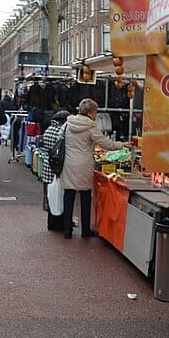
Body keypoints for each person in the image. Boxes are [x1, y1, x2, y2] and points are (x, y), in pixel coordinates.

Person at [60, 98, 130, 239]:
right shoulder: (90, 126)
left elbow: (60, 137)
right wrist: (121, 144)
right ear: (91, 112)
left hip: (68, 163)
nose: (96, 114)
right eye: (95, 112)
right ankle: (85, 230)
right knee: (85, 197)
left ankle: (67, 229)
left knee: (68, 195)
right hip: (84, 163)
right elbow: (105, 143)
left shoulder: (68, 123)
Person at [39, 110, 70, 231]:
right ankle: (59, 223)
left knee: (50, 196)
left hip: (47, 166)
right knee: (58, 196)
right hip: (57, 168)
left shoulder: (48, 129)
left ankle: (51, 223)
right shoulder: (61, 132)